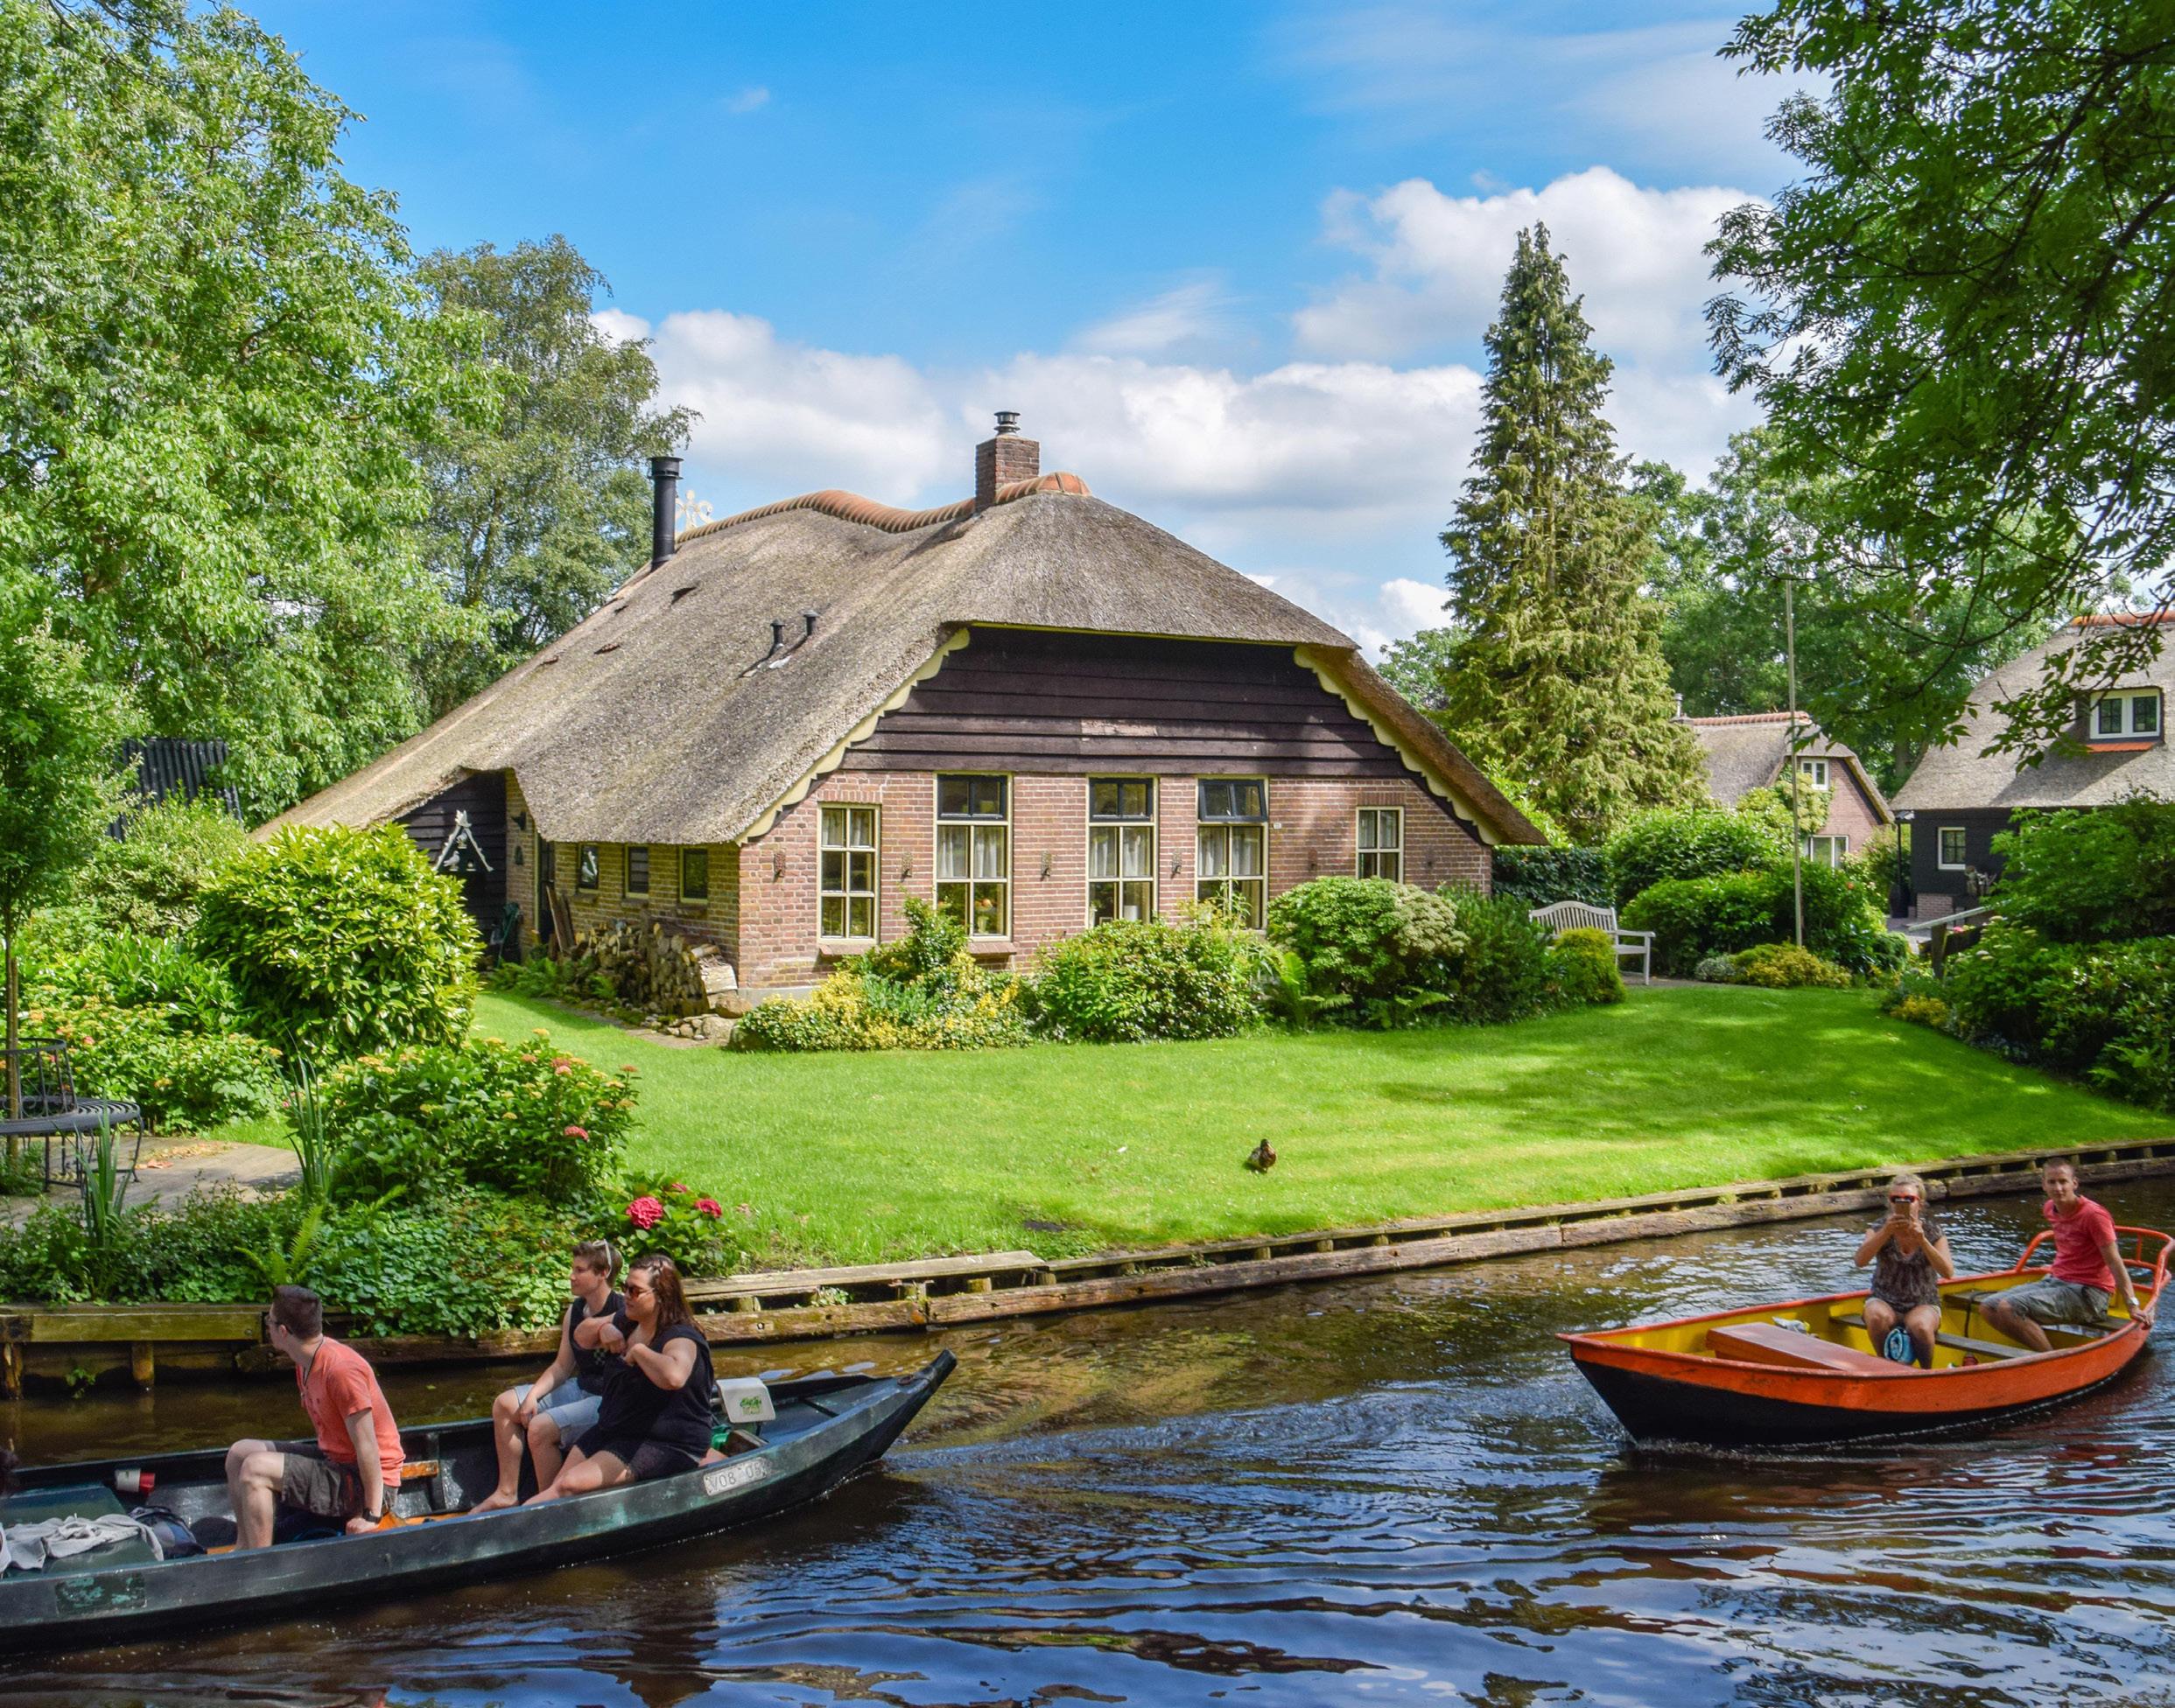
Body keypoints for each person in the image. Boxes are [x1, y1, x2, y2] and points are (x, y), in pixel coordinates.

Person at [225, 1284, 403, 1550]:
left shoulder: (341, 1371)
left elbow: (368, 1447)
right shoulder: (305, 1361)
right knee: (239, 1453)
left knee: (256, 1469)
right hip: (337, 1462)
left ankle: (262, 1563)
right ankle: (243, 1548)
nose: (267, 1326)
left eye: (269, 1321)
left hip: (372, 1485)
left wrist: (371, 1515)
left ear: (283, 1331)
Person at [528, 1255, 716, 1502]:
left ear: (662, 1296)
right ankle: (522, 1520)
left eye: (635, 1291)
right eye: (625, 1287)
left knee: (569, 1486)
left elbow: (674, 1376)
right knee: (557, 1488)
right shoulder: (627, 1321)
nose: (626, 1295)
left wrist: (639, 1351)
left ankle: (513, 1524)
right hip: (617, 1429)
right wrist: (603, 1328)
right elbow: (581, 1337)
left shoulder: (681, 1336)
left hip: (665, 1442)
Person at [471, 1240, 624, 1513]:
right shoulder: (575, 1311)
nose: (571, 1276)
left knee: (540, 1428)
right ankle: (507, 1493)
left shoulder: (624, 1310)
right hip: (581, 1387)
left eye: (580, 1270)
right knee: (505, 1405)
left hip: (608, 1398)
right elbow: (562, 1367)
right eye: (572, 1269)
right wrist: (532, 1396)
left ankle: (549, 1506)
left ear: (603, 1273)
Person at [1982, 1160, 2157, 1351]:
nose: (2058, 1188)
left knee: (2009, 1308)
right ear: (2044, 1185)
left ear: (2074, 1183)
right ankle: (2040, 1346)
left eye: (2063, 1181)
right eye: (2052, 1182)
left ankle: (2051, 1359)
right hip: (2057, 1280)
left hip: (2090, 1293)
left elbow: (2115, 1262)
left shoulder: (2094, 1215)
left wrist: (2132, 1305)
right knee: (1988, 1307)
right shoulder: (2050, 1208)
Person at [1853, 1172, 1954, 1368]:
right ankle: (1887, 1367)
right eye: (1896, 1199)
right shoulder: (1878, 1228)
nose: (1902, 1203)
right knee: (1876, 1316)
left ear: (1920, 1204)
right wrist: (1886, 1232)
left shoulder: (1933, 1232)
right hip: (1884, 1300)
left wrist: (1922, 1241)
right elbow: (1860, 1261)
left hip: (1923, 1302)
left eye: (1909, 1199)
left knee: (1920, 1326)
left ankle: (1926, 1372)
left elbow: (1948, 1272)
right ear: (1890, 1203)